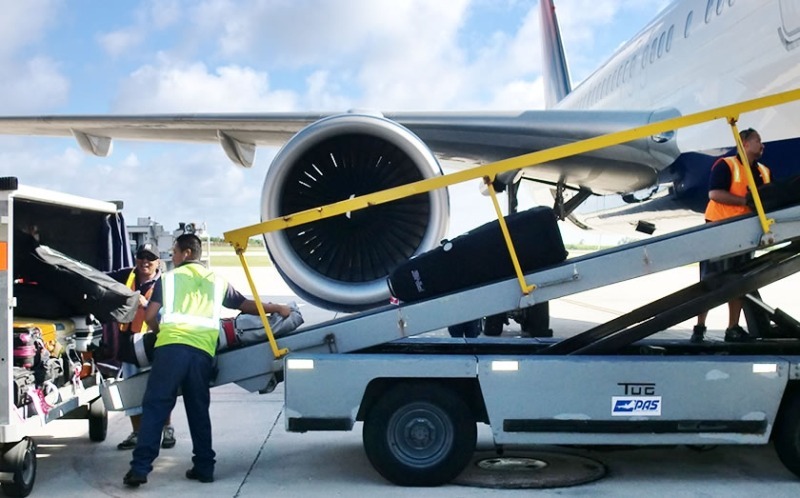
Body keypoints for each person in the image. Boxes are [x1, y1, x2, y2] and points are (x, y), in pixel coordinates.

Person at [123, 233, 292, 487]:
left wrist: (160, 335)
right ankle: (204, 467)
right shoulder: (217, 281)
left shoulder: (168, 280)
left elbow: (149, 317)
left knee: (156, 407)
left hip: (171, 350)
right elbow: (244, 305)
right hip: (202, 353)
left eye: (176, 252)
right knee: (198, 410)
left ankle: (140, 468)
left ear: (186, 253)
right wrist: (277, 308)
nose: (174, 256)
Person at [691, 128, 771, 343]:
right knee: (710, 281)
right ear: (744, 143)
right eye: (758, 141)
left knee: (739, 281)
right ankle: (699, 327)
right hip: (719, 229)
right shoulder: (726, 165)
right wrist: (746, 202)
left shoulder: (764, 170)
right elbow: (715, 194)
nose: (762, 145)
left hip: (745, 233)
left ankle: (732, 328)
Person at [107, 241, 176, 451]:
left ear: (158, 262)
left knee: (162, 388)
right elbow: (101, 277)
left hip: (155, 341)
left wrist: (148, 307)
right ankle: (137, 432)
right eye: (141, 257)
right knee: (131, 389)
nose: (145, 261)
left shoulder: (167, 283)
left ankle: (167, 429)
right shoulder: (126, 276)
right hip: (129, 342)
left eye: (150, 258)